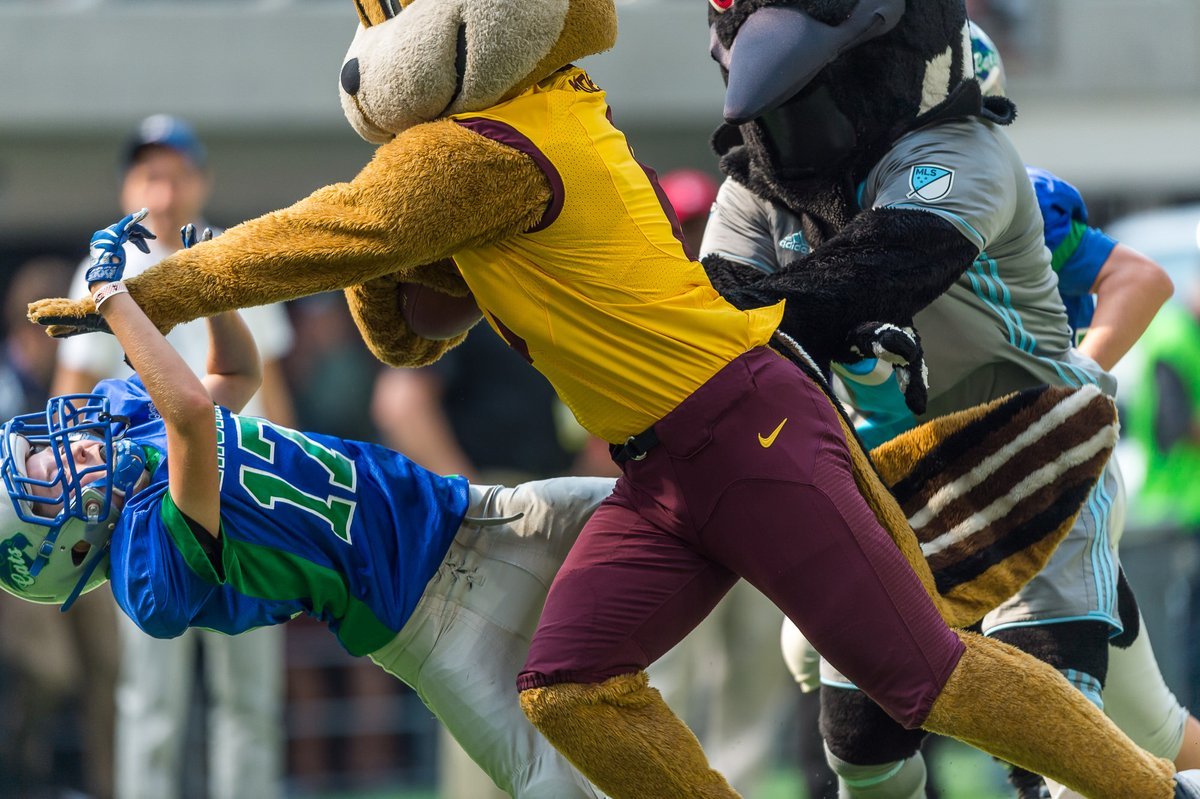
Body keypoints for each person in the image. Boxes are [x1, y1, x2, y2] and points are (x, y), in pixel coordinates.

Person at [717, 19, 1189, 799]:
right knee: (866, 744)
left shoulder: (987, 178)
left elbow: (1139, 278)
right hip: (900, 490)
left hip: (1026, 470)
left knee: (1081, 744)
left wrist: (1074, 379)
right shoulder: (778, 194)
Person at [1, 211, 612, 799]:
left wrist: (211, 287)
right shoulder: (144, 570)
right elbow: (188, 415)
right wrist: (112, 298)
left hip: (462, 510)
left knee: (654, 508)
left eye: (46, 450)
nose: (67, 447)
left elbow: (237, 375)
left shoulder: (135, 432)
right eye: (48, 471)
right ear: (69, 546)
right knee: (548, 780)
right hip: (421, 618)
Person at [51, 115, 295, 799]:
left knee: (249, 696)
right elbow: (70, 400)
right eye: (149, 172)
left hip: (246, 495)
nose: (162, 188)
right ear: (130, 183)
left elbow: (267, 387)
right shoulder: (106, 266)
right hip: (145, 512)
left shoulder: (228, 253)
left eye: (176, 172)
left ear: (202, 181)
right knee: (150, 697)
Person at [645, 167, 798, 798]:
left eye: (700, 218)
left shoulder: (756, 295)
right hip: (679, 512)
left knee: (757, 675)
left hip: (764, 510)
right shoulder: (643, 302)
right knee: (668, 675)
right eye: (681, 222)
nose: (692, 234)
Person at [0, 257, 118, 799]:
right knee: (51, 671)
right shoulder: (6, 383)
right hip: (15, 547)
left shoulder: (67, 379)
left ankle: (104, 785)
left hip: (72, 532)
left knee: (110, 666)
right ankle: (25, 772)